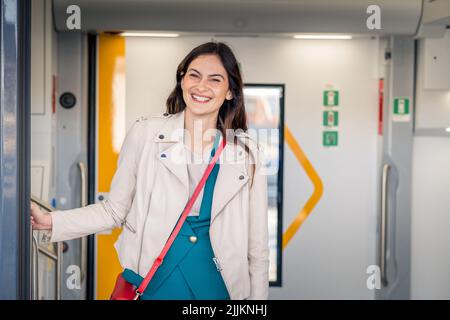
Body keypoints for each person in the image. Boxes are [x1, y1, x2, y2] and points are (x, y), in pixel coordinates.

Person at [31, 42, 269, 300]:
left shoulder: (247, 153)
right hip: (152, 281)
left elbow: (257, 248)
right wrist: (51, 221)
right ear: (182, 80)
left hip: (217, 286)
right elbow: (113, 211)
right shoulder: (146, 134)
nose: (201, 86)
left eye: (215, 79)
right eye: (194, 75)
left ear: (230, 92)